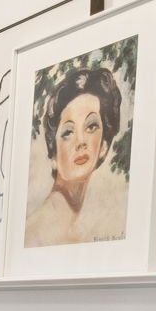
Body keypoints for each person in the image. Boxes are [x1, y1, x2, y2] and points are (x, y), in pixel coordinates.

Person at [25, 64, 129, 246]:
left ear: (103, 146)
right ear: (54, 156)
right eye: (68, 132)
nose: (81, 141)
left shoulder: (85, 233)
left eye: (91, 127)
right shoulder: (35, 234)